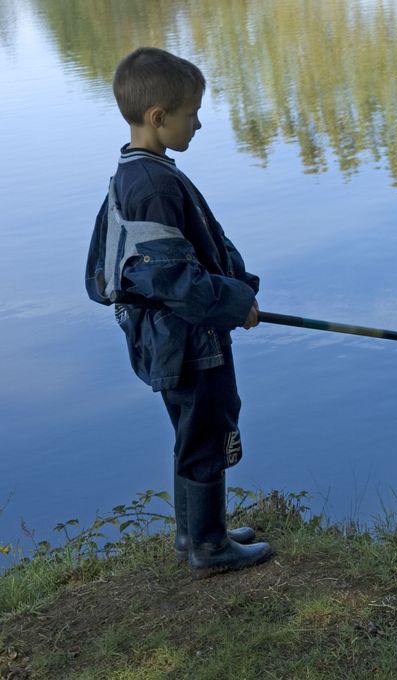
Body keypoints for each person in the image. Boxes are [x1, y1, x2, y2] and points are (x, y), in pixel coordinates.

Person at [85, 47, 272, 576]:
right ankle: (209, 548)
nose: (198, 123)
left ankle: (194, 534)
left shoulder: (141, 170)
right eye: (191, 114)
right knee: (206, 427)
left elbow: (188, 256)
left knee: (194, 429)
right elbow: (171, 278)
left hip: (179, 335)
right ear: (158, 117)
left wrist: (238, 291)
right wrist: (235, 304)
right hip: (187, 339)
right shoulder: (152, 186)